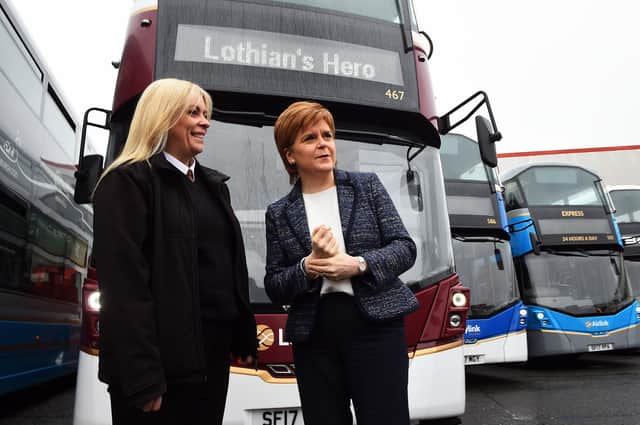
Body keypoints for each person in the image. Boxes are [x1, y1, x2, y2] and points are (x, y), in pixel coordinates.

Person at [92, 78, 257, 425]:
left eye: (206, 113)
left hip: (210, 362)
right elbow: (124, 288)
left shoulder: (214, 187)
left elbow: (227, 268)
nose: (205, 121)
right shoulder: (127, 181)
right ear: (163, 117)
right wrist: (143, 375)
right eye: (193, 112)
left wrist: (242, 333)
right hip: (160, 371)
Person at [264, 101, 419, 425]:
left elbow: (405, 248)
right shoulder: (279, 213)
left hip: (376, 328)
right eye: (310, 138)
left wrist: (358, 264)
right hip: (315, 335)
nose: (323, 143)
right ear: (290, 154)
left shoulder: (367, 187)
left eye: (328, 135)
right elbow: (275, 284)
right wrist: (307, 267)